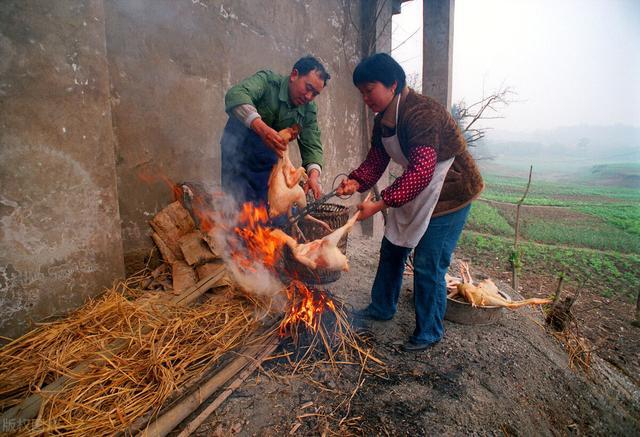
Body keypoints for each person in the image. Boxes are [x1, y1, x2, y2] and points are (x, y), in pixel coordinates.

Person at [337, 53, 484, 352]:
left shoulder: (422, 113)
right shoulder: (383, 121)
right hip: (420, 184)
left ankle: (430, 330)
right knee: (393, 245)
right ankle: (382, 307)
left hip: (451, 189)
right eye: (361, 92)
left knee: (429, 260)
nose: (366, 98)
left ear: (392, 84)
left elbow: (422, 170)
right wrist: (355, 181)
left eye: (370, 89)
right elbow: (376, 160)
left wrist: (380, 204)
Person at [221, 56, 330, 209]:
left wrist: (313, 176)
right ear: (294, 75)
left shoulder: (308, 109)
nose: (308, 97)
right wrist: (261, 128)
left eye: (315, 94)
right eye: (308, 88)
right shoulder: (267, 81)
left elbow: (312, 143)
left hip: (268, 160)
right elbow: (236, 95)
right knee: (237, 204)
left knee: (266, 210)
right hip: (238, 151)